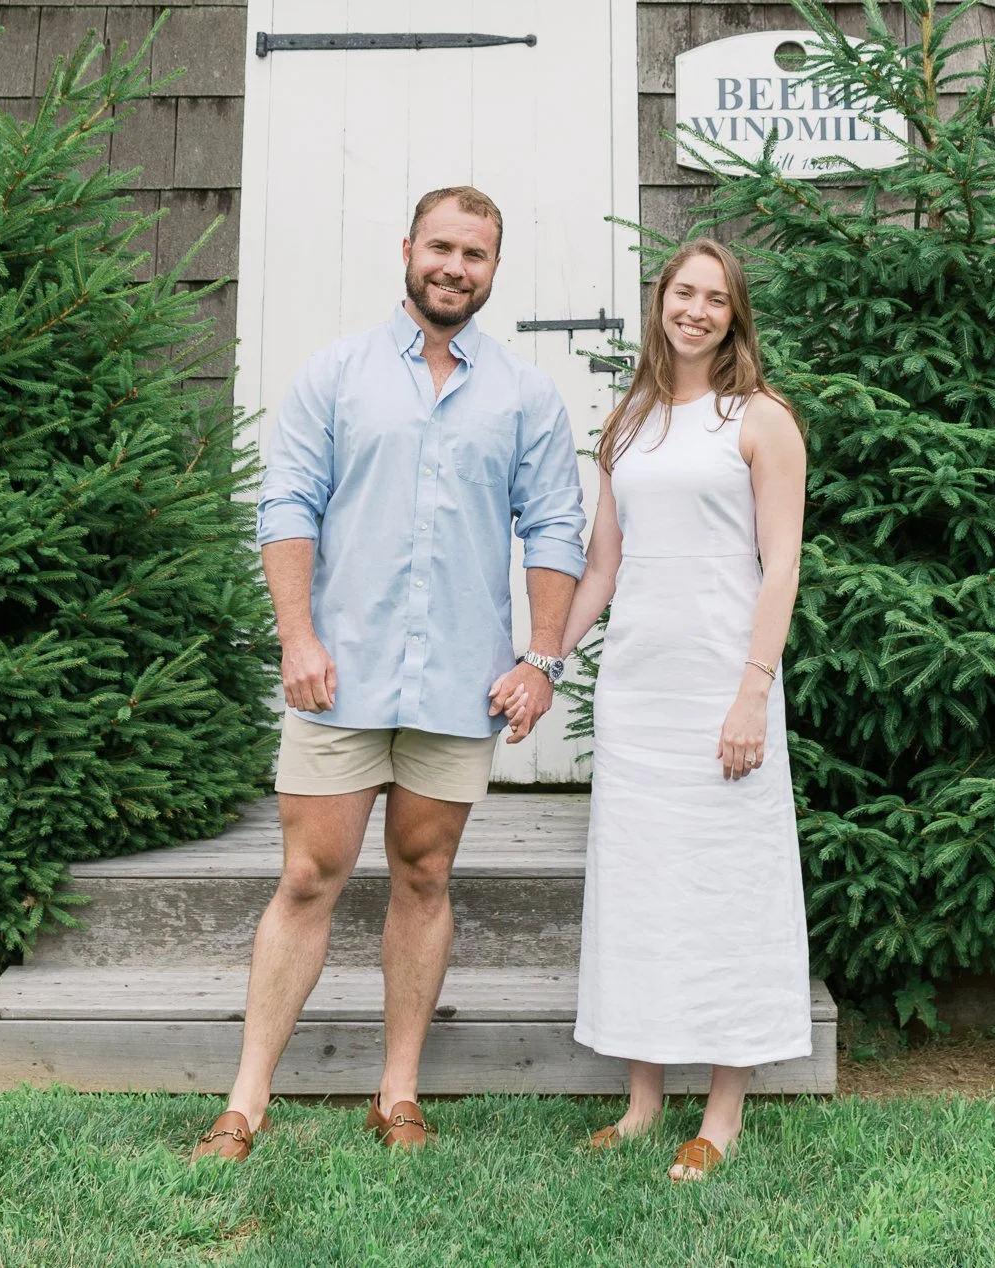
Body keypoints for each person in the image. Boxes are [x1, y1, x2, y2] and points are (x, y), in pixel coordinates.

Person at [191, 186, 585, 1161]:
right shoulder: (337, 375)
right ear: (408, 249)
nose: (455, 267)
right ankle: (245, 1102)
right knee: (309, 874)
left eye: (476, 255)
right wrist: (297, 638)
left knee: (425, 872)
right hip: (341, 679)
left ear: (495, 268)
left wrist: (540, 658)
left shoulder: (523, 395)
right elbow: (287, 505)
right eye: (442, 247)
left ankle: (397, 1092)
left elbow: (555, 526)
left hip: (461, 684)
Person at [552, 237, 809, 1180]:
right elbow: (603, 569)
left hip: (723, 688)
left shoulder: (760, 419)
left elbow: (780, 563)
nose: (694, 309)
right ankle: (642, 1100)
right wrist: (545, 657)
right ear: (660, 301)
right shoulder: (629, 423)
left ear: (734, 314)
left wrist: (753, 689)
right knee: (643, 891)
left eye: (714, 298)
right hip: (637, 694)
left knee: (726, 889)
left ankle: (723, 1110)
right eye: (681, 292)